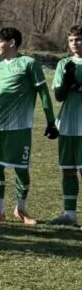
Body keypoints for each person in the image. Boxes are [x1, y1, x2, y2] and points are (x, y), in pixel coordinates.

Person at [0, 27, 57, 224]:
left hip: (19, 126)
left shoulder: (29, 63)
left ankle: (20, 209)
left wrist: (51, 121)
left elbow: (43, 92)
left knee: (21, 168)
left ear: (11, 43)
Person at [50, 24, 82, 226]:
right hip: (67, 123)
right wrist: (65, 82)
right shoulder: (63, 64)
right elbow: (59, 96)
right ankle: (70, 215)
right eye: (71, 40)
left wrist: (76, 85)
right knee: (68, 169)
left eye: (78, 39)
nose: (75, 43)